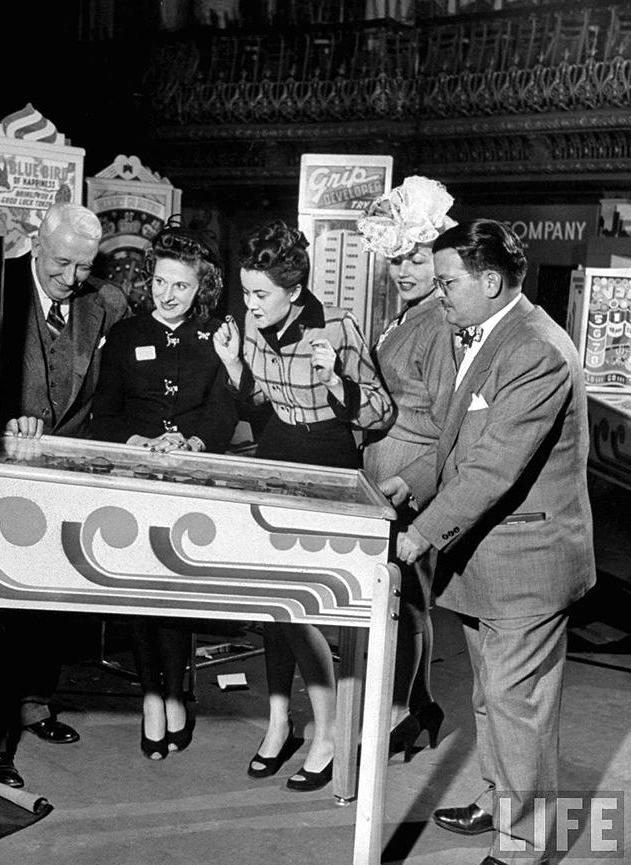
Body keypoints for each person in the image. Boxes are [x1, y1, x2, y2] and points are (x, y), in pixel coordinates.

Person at [379, 219, 595, 865]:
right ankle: (500, 800)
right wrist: (405, 482)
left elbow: (492, 468)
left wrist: (419, 533)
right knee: (489, 696)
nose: (437, 292)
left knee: (517, 705)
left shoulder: (533, 349)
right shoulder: (476, 334)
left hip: (526, 561)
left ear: (491, 281)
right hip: (487, 557)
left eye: (447, 281)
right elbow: (453, 447)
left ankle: (523, 844)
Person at [213, 219, 393, 792]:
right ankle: (278, 722)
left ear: (294, 291)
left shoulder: (338, 327)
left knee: (302, 607)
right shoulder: (252, 323)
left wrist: (337, 378)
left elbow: (379, 413)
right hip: (277, 461)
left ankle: (328, 732)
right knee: (273, 606)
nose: (251, 304)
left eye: (261, 294)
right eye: (247, 293)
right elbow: (259, 407)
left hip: (328, 470)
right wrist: (235, 365)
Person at [0, 202, 129, 789]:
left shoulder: (105, 302)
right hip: (0, 469)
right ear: (35, 247)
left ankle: (34, 703)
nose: (72, 279)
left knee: (47, 595)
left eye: (84, 266)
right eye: (62, 264)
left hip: (65, 471)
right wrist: (6, 421)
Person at [92, 223, 238, 759]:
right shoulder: (126, 335)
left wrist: (197, 442)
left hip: (188, 484)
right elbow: (102, 414)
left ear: (201, 288)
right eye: (159, 281)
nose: (166, 293)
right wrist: (137, 441)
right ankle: (151, 697)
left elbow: (225, 408)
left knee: (176, 595)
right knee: (139, 596)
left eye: (180, 285)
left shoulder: (215, 335)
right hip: (135, 482)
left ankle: (176, 694)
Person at [356, 175, 458, 760]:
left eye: (416, 258)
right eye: (396, 258)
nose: (404, 270)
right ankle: (417, 706)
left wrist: (412, 480)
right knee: (401, 597)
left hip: (408, 481)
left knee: (406, 600)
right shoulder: (409, 314)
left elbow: (451, 429)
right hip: (384, 472)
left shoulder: (439, 321)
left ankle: (401, 713)